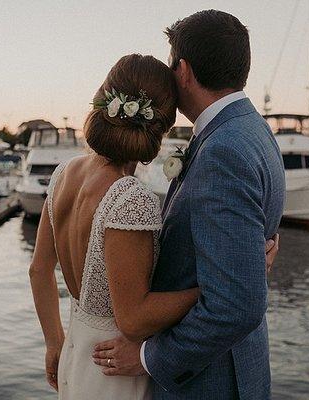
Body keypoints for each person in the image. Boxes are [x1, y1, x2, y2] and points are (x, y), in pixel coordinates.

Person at [29, 53, 280, 399]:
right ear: (159, 127)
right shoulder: (129, 197)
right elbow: (133, 319)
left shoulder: (63, 173)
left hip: (76, 354)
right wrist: (223, 281)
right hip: (114, 369)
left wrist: (54, 342)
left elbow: (39, 270)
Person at [91, 10, 286, 400]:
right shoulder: (251, 129)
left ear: (182, 70)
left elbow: (236, 305)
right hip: (237, 370)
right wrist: (247, 264)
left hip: (210, 382)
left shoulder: (223, 150)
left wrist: (149, 357)